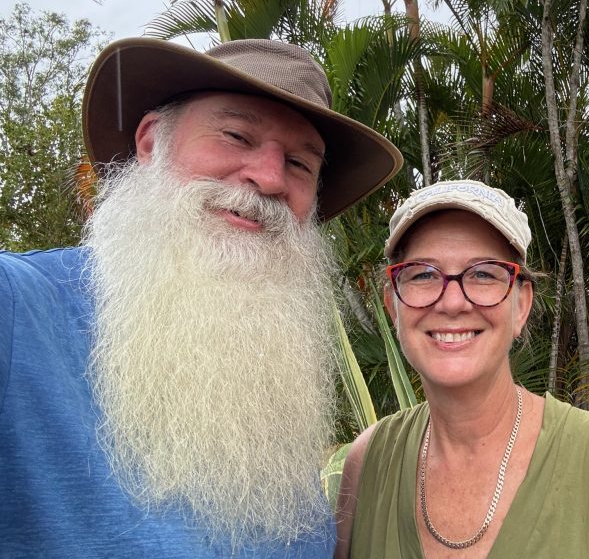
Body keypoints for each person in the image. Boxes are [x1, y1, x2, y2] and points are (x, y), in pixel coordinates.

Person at [0, 37, 402, 557]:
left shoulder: (276, 366)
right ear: (151, 143)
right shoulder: (20, 308)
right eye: (236, 135)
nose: (270, 178)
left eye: (300, 164)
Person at [335, 180, 589, 558]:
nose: (452, 302)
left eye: (483, 273)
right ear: (393, 306)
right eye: (423, 274)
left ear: (521, 305)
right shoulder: (368, 465)